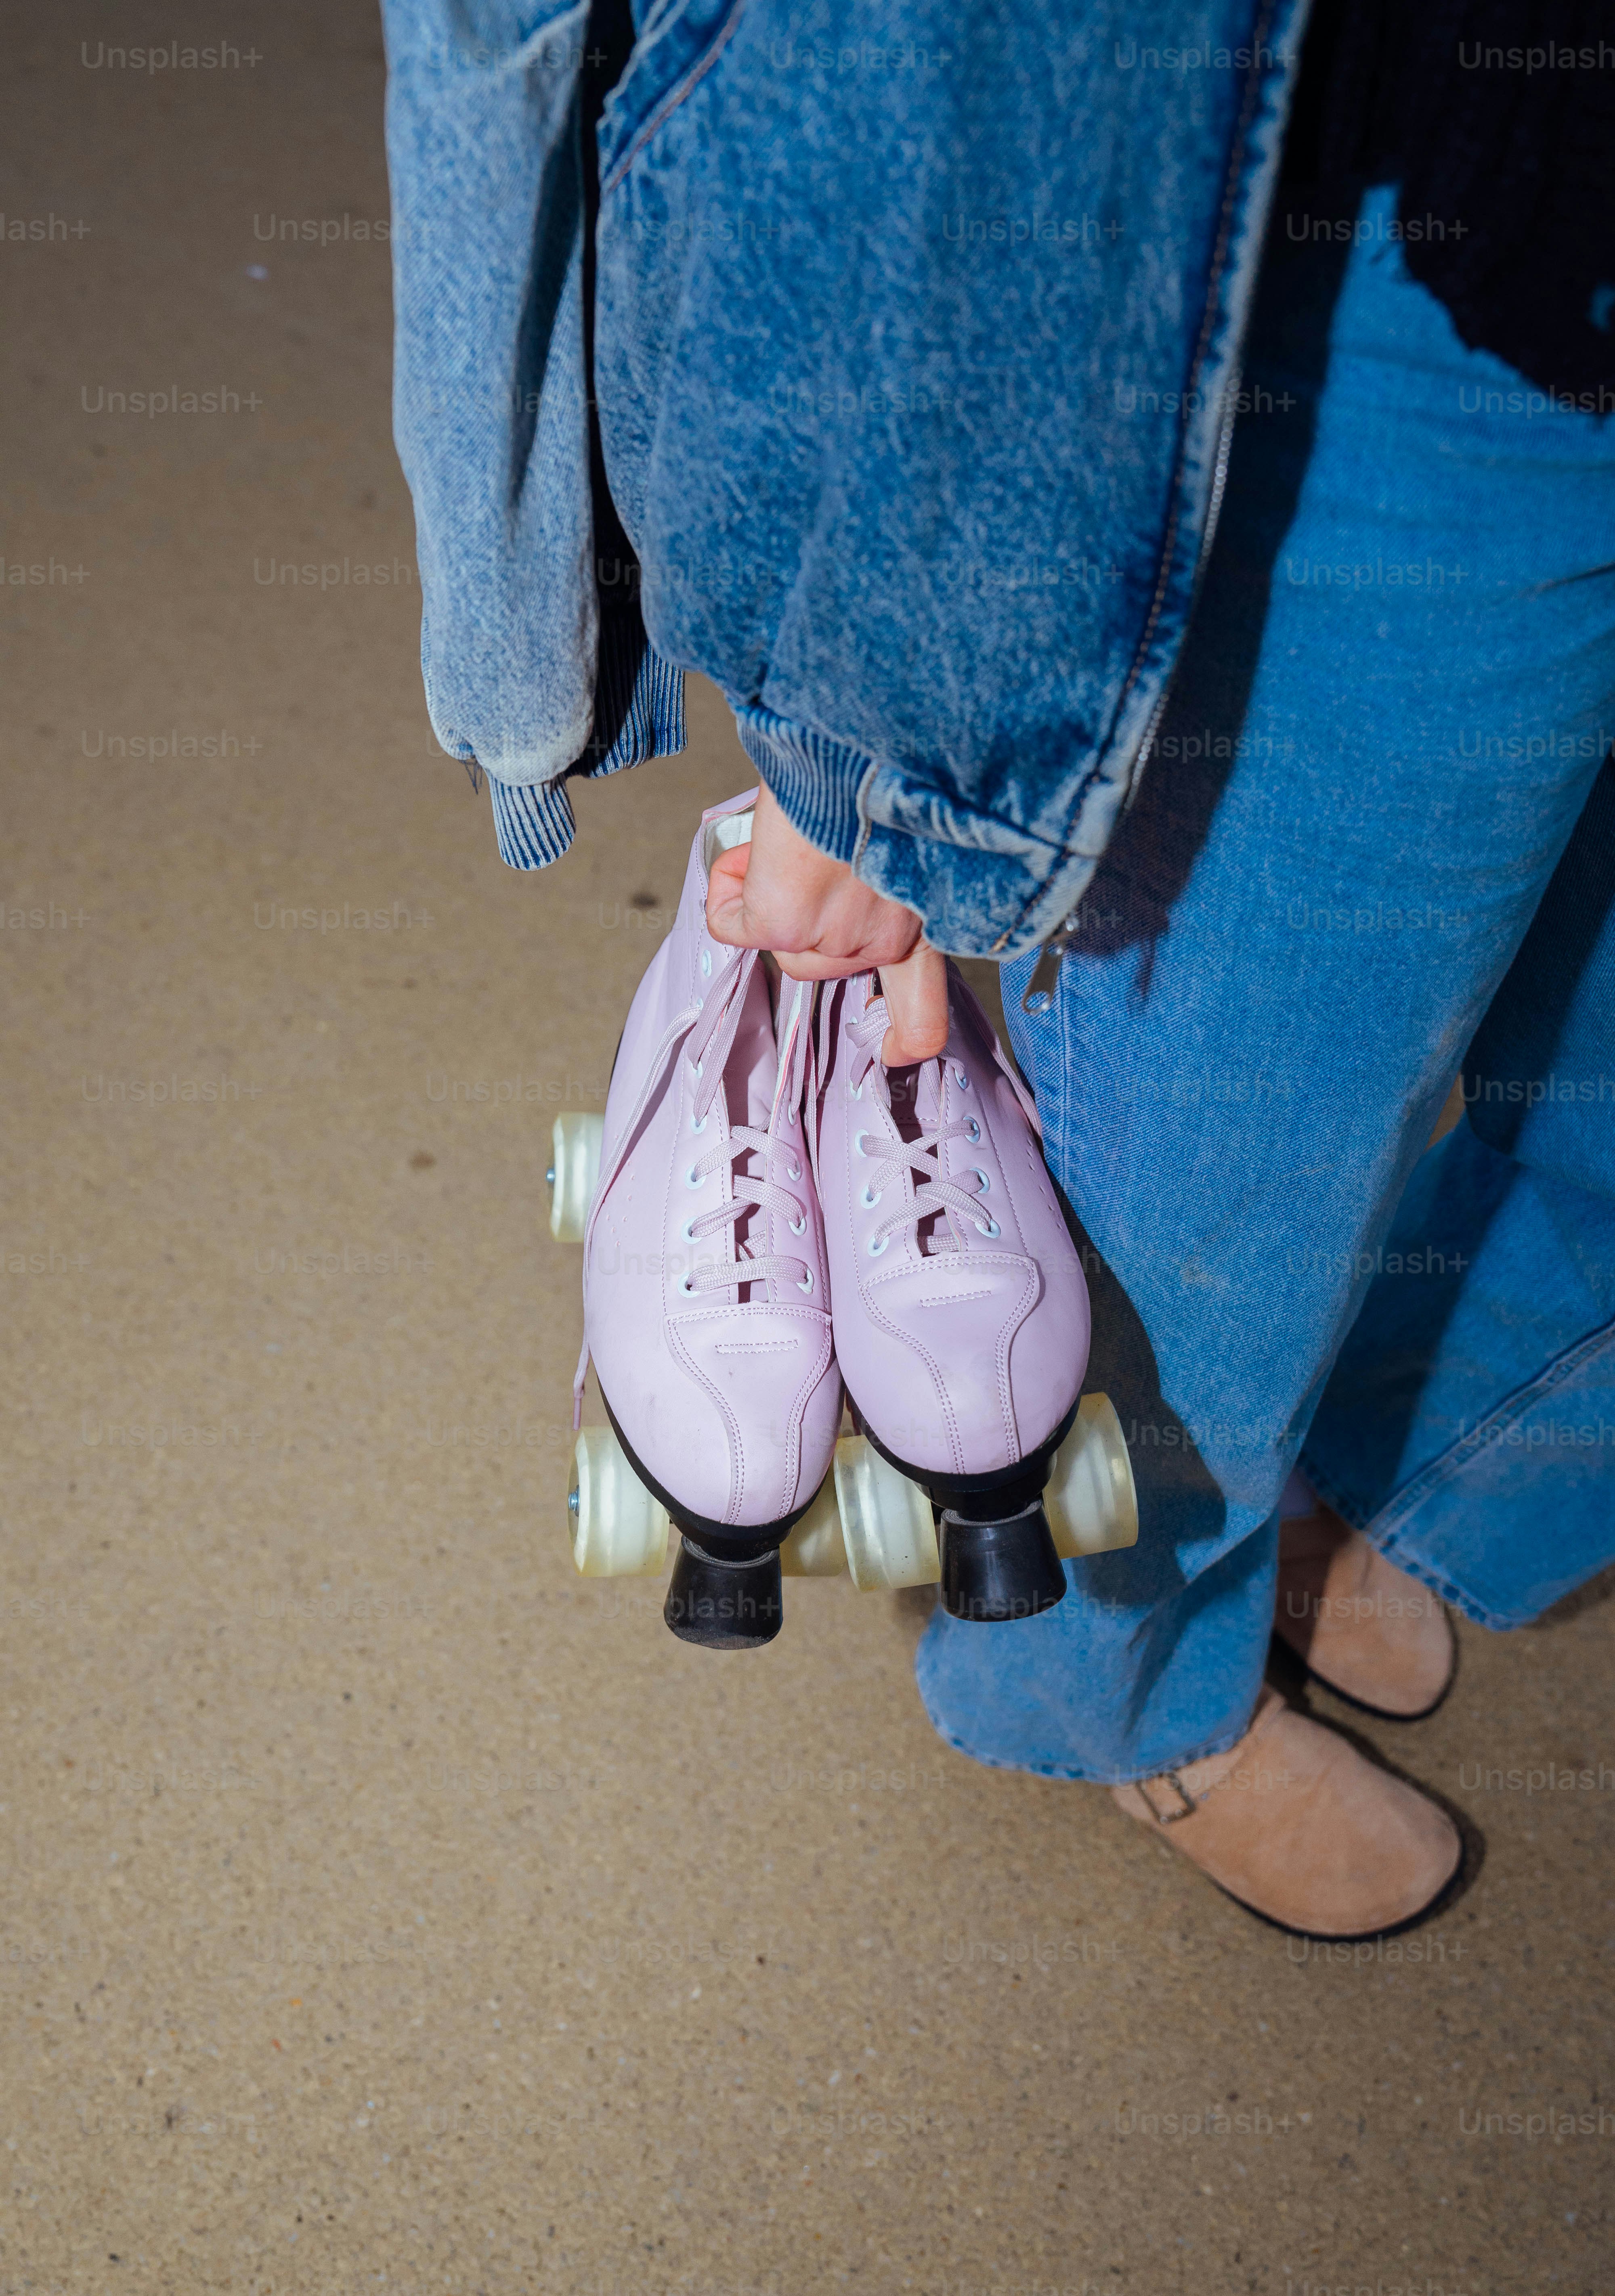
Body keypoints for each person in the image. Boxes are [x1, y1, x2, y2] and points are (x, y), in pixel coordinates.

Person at [384, 0, 1615, 1933]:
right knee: (1254, 1117)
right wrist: (866, 745)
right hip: (1382, 251)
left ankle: (1435, 1455)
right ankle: (1109, 1680)